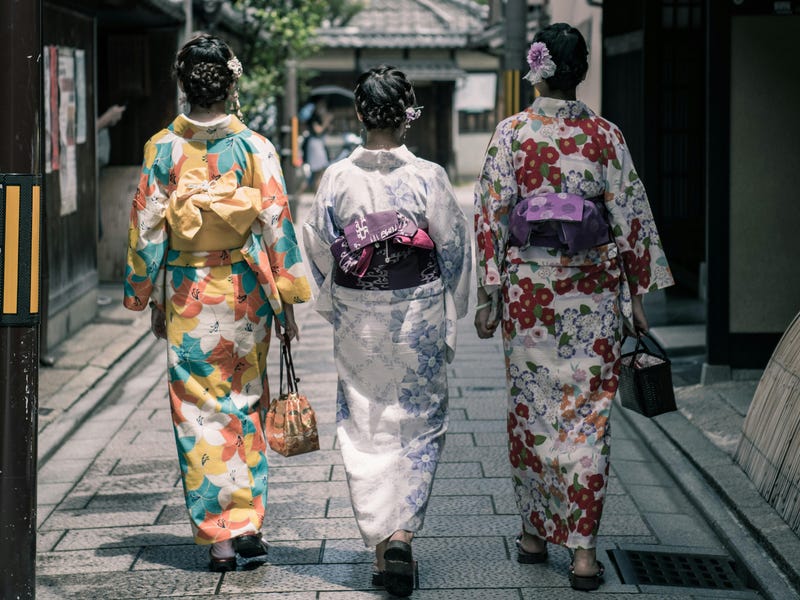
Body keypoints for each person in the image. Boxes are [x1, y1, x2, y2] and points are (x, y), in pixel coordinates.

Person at [473, 23, 674, 591]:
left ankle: (535, 534)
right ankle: (583, 552)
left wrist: (489, 296)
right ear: (580, 72)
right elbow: (631, 216)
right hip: (592, 293)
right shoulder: (605, 136)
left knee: (533, 411)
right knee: (588, 418)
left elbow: (490, 217)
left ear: (535, 70)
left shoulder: (511, 134)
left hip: (530, 295)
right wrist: (636, 297)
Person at [122, 33, 311, 572]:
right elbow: (277, 221)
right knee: (246, 400)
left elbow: (148, 227)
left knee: (199, 412)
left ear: (184, 85)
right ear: (231, 83)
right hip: (247, 288)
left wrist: (144, 292)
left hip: (188, 291)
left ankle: (222, 540)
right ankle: (249, 523)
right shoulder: (255, 146)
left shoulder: (163, 147)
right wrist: (289, 297)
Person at [302, 66, 472, 597]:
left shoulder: (336, 178)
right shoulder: (428, 176)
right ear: (407, 115)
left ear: (359, 115)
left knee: (365, 420)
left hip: (358, 309)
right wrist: (453, 301)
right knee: (418, 422)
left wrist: (335, 297)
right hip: (417, 308)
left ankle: (382, 547)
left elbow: (317, 245)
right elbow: (452, 247)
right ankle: (402, 534)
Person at [303, 99, 333, 191]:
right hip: (315, 145)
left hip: (319, 144)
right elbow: (318, 130)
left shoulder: (320, 117)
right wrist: (326, 121)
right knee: (317, 172)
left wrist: (328, 124)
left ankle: (316, 193)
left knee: (321, 172)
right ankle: (315, 194)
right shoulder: (314, 118)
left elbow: (326, 131)